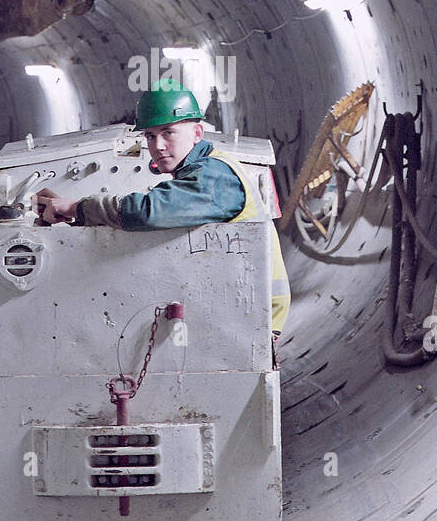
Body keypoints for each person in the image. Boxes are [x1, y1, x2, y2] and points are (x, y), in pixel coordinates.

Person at [36, 84, 290, 346]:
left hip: (255, 315)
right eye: (150, 136)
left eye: (168, 132)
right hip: (242, 305)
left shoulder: (215, 176)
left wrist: (76, 208)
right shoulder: (199, 170)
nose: (158, 146)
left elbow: (148, 212)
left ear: (197, 133)